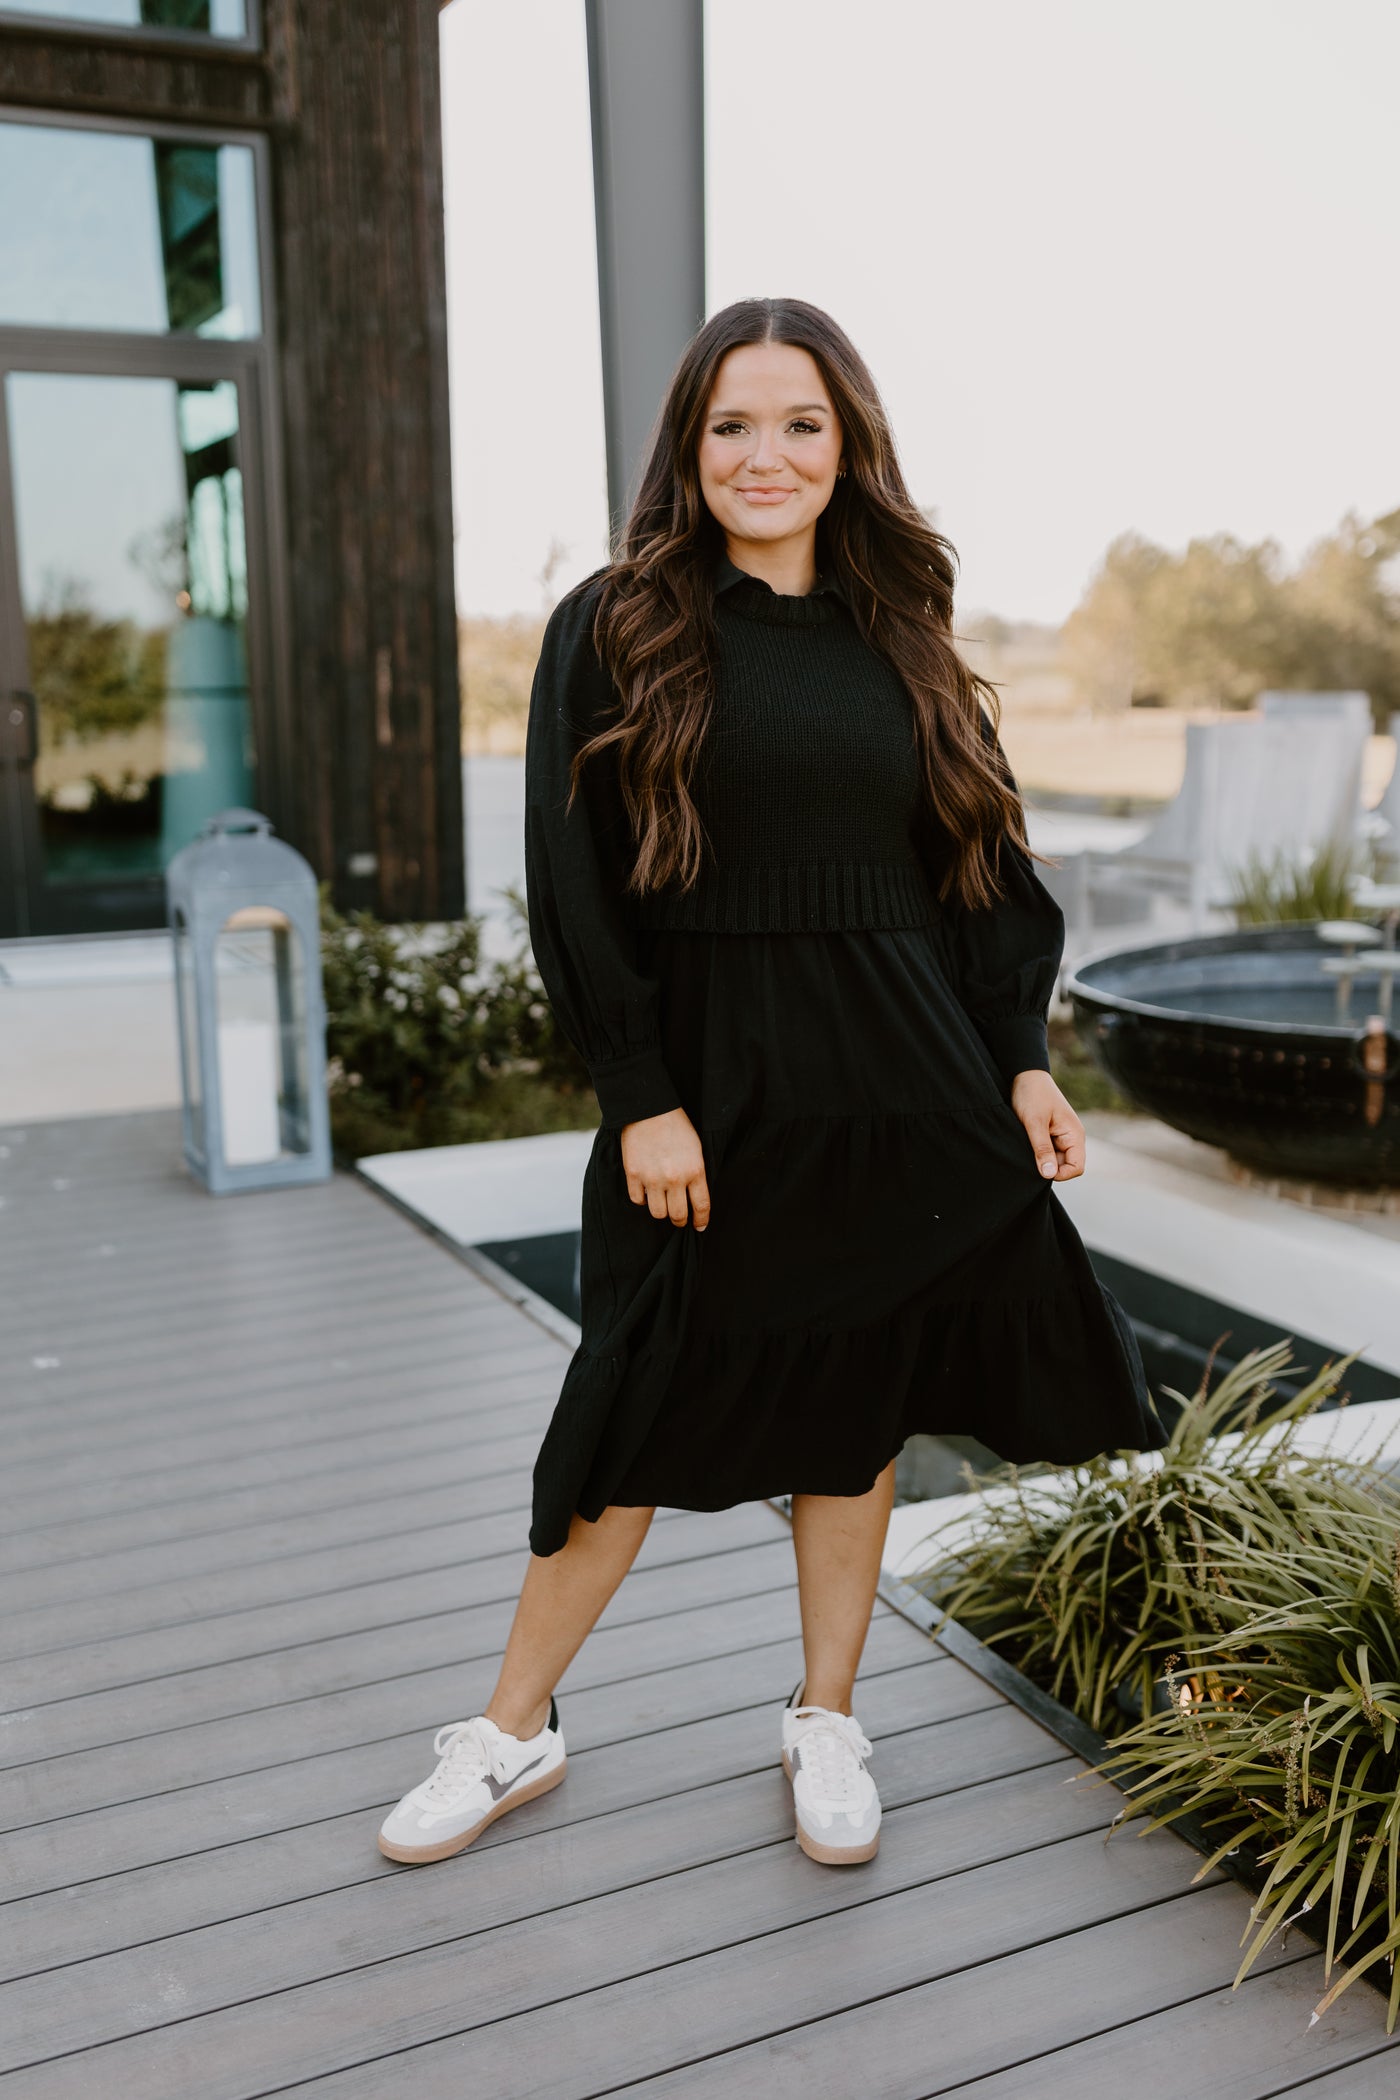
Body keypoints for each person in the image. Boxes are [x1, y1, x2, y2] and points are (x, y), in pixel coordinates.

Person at [378, 296, 1167, 1870]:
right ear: (690, 445)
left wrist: (1019, 1060)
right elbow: (573, 876)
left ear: (849, 445)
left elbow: (979, 870)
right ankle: (514, 1728)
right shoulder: (614, 621)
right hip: (709, 1099)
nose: (766, 454)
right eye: (732, 424)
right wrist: (639, 1090)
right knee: (633, 1401)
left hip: (905, 1082)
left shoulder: (903, 637)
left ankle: (824, 1712)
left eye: (800, 423)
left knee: (855, 1406)